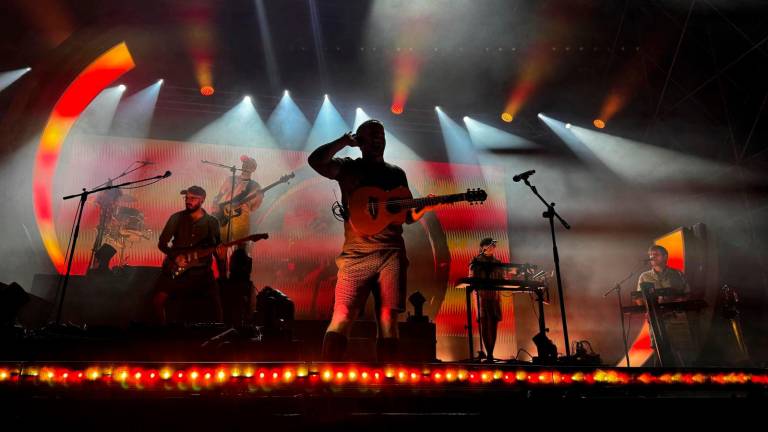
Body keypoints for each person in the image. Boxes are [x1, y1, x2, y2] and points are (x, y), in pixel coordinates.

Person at [308, 119, 437, 361]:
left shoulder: (397, 173)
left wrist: (425, 208)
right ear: (361, 140)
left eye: (381, 134)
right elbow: (316, 161)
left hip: (391, 253)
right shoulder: (348, 168)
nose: (378, 139)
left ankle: (387, 382)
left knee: (389, 318)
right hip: (356, 254)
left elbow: (406, 217)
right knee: (343, 314)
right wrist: (344, 142)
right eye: (372, 135)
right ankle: (328, 379)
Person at [152, 186, 227, 325]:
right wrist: (175, 257)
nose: (188, 200)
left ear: (202, 200)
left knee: (218, 309)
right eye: (186, 197)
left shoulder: (212, 222)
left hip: (201, 272)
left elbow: (217, 250)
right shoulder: (176, 218)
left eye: (193, 198)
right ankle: (163, 336)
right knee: (157, 301)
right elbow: (162, 243)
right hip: (175, 268)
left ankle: (216, 338)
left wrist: (223, 268)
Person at [468, 237, 505, 363]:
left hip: (494, 296)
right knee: (484, 322)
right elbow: (471, 278)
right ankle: (488, 352)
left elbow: (502, 279)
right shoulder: (476, 261)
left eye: (494, 245)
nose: (493, 247)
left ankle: (490, 353)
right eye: (490, 245)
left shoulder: (497, 262)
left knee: (493, 322)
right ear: (484, 247)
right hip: (482, 296)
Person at [211, 155, 263, 244]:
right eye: (244, 164)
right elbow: (219, 195)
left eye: (249, 165)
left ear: (253, 169)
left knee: (241, 244)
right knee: (221, 244)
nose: (245, 167)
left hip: (241, 216)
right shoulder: (230, 179)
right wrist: (215, 205)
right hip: (223, 214)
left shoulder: (255, 186)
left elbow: (255, 207)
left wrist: (246, 208)